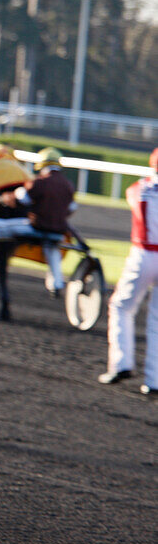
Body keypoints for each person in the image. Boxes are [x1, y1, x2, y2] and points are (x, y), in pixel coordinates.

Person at [99, 147, 158, 395]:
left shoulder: (139, 188)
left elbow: (132, 195)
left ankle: (121, 364)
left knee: (121, 307)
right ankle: (154, 382)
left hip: (144, 253)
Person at [13, 147, 76, 296]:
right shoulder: (68, 185)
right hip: (58, 232)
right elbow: (72, 207)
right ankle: (56, 284)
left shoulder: (39, 182)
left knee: (2, 227)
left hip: (35, 229)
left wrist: (17, 192)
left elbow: (23, 200)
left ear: (41, 166)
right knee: (52, 250)